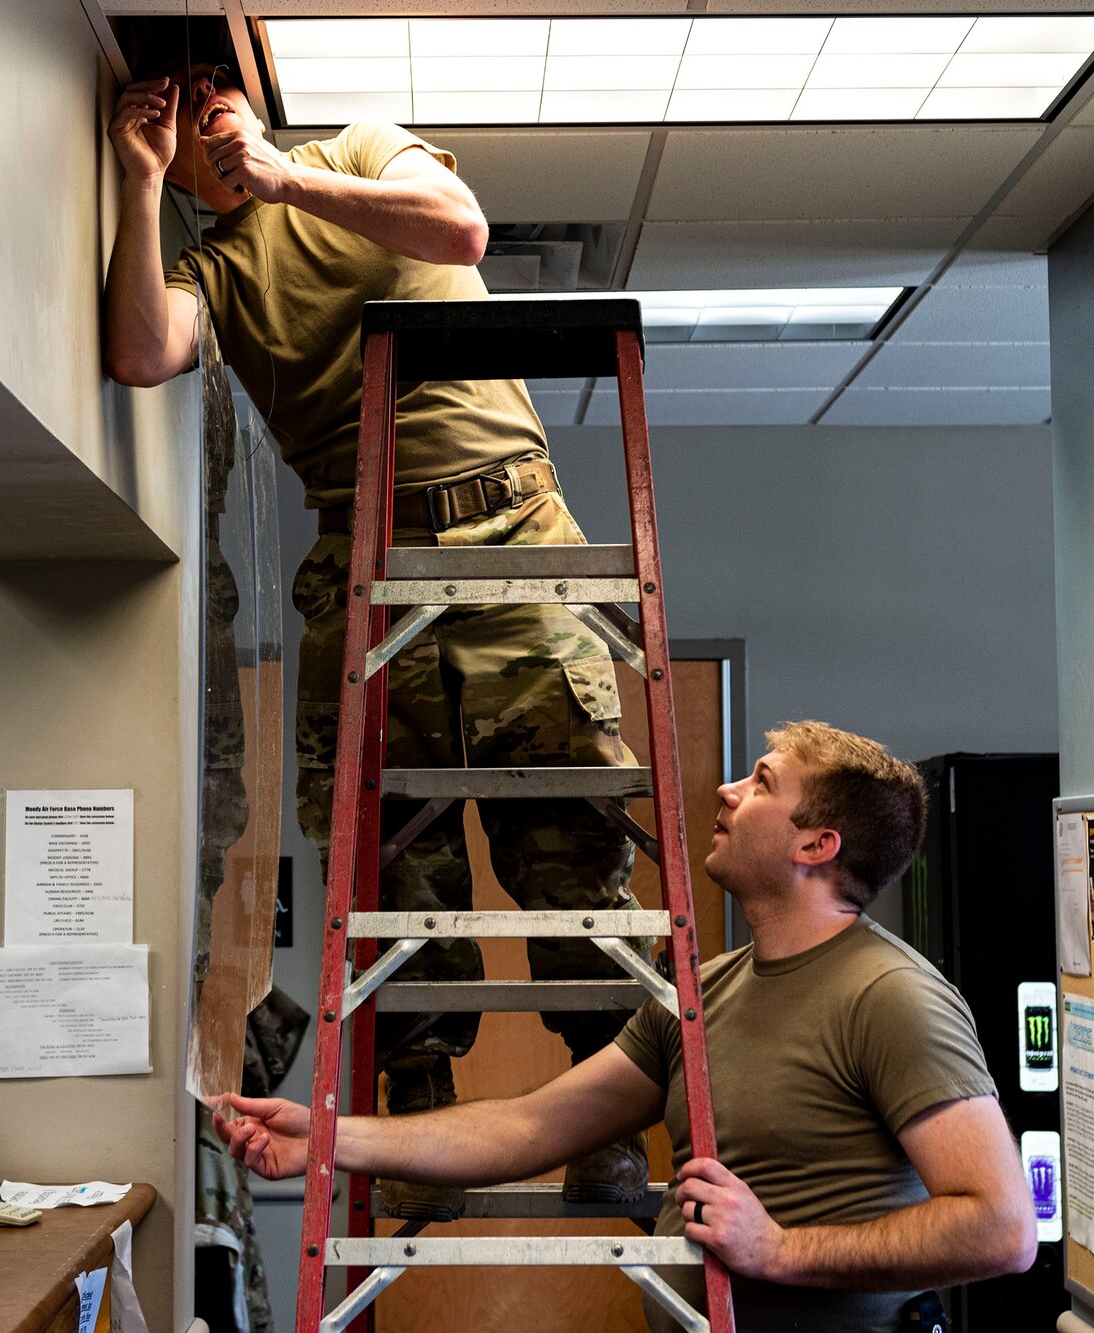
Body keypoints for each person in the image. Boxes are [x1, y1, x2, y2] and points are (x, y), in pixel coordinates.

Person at [102, 58, 650, 1218]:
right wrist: (141, 184)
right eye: (177, 108)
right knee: (392, 856)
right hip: (363, 565)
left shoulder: (355, 149)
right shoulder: (212, 264)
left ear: (253, 105)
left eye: (217, 94)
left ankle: (604, 1125)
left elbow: (457, 227)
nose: (203, 111)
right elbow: (142, 350)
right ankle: (413, 1114)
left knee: (565, 850)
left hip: (506, 534)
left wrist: (284, 179)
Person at [213, 721, 1038, 1332]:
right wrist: (323, 1138)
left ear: (818, 843)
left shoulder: (891, 996)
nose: (727, 790)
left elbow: (1003, 1227)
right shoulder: (700, 995)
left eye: (761, 782)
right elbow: (529, 1125)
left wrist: (779, 1250)